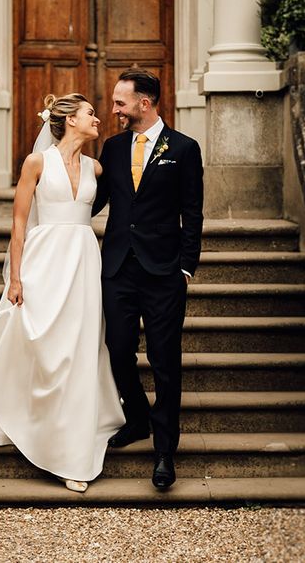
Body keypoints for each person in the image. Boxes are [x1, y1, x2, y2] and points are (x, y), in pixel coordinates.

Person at [0, 93, 125, 493]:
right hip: (43, 260)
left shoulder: (96, 167)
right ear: (68, 121)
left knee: (79, 349)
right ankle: (30, 421)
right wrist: (15, 278)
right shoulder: (36, 163)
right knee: (43, 343)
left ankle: (72, 450)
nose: (97, 119)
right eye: (90, 114)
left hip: (83, 261)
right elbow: (18, 223)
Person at [93, 69, 204, 490]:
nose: (115, 110)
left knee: (164, 362)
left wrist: (185, 265)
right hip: (118, 268)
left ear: (145, 103)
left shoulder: (184, 149)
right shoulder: (113, 148)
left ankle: (164, 452)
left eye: (121, 103)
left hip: (163, 273)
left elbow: (192, 210)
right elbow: (95, 199)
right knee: (118, 351)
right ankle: (136, 418)